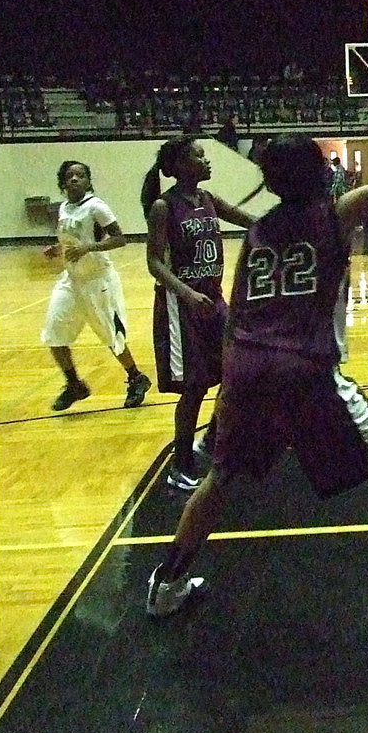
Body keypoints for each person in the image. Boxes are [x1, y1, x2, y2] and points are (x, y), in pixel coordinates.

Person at [146, 38, 368, 648]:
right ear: (320, 175)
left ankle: (168, 583)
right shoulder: (335, 213)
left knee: (221, 475)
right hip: (303, 370)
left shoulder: (255, 233)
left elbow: (238, 314)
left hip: (245, 367)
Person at [141, 135, 255, 490]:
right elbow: (154, 262)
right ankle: (180, 464)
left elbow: (249, 219)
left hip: (213, 300)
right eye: (199, 155)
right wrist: (187, 294)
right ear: (178, 166)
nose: (207, 161)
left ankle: (210, 438)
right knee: (194, 388)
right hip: (182, 304)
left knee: (236, 373)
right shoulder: (165, 206)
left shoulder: (207, 199)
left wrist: (289, 221)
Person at [41, 160, 152, 411]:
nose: (75, 179)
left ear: (89, 181)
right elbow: (74, 240)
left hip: (98, 279)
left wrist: (88, 248)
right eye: (70, 176)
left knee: (112, 336)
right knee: (53, 333)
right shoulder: (64, 208)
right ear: (63, 182)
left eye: (81, 175)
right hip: (71, 280)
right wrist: (58, 249)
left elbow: (119, 239)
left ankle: (136, 378)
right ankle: (74, 385)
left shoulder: (96, 207)